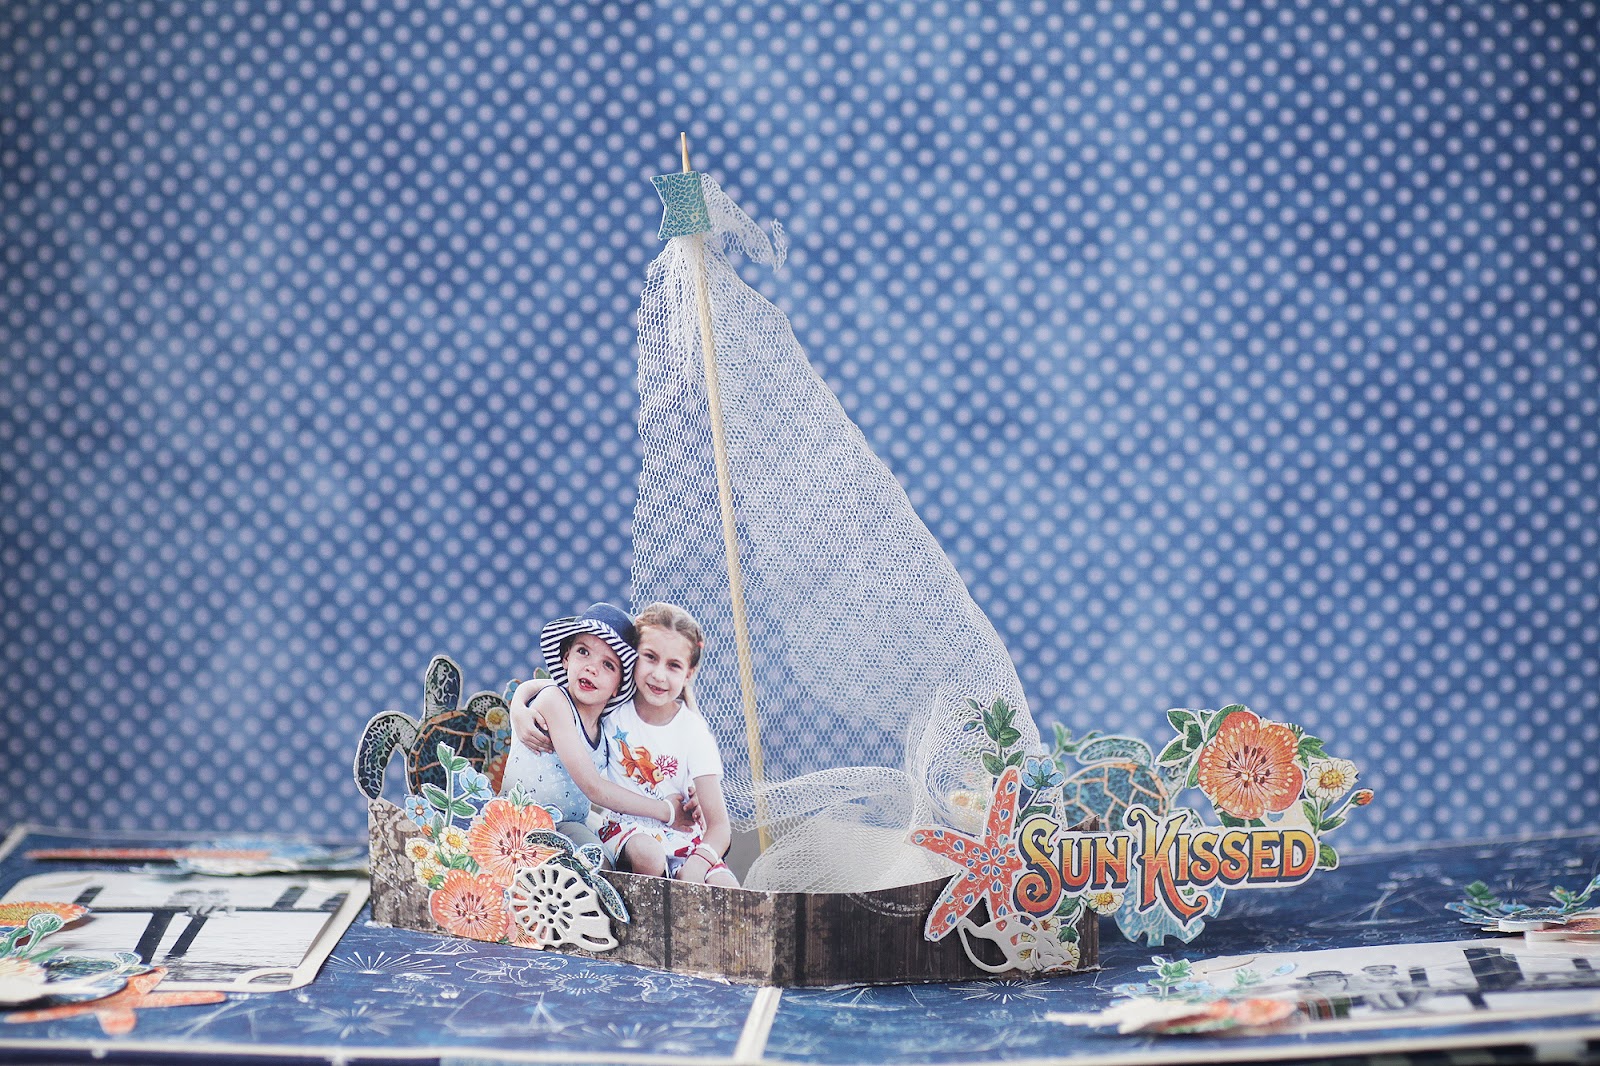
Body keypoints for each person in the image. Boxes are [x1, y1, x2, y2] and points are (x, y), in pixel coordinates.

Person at [511, 602, 738, 886]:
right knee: (628, 859)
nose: (659, 675)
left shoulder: (682, 728)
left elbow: (717, 823)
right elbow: (555, 692)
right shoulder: (609, 712)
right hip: (561, 823)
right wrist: (518, 704)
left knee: (727, 888)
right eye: (650, 657)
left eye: (608, 665)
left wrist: (695, 808)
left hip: (670, 834)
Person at [500, 602, 695, 854]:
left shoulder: (606, 728)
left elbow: (649, 763)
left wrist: (687, 793)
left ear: (618, 686)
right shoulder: (554, 702)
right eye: (583, 652)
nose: (592, 667)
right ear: (566, 658)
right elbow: (594, 788)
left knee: (604, 858)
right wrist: (666, 811)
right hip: (520, 821)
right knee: (591, 862)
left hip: (567, 825)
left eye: (608, 665)